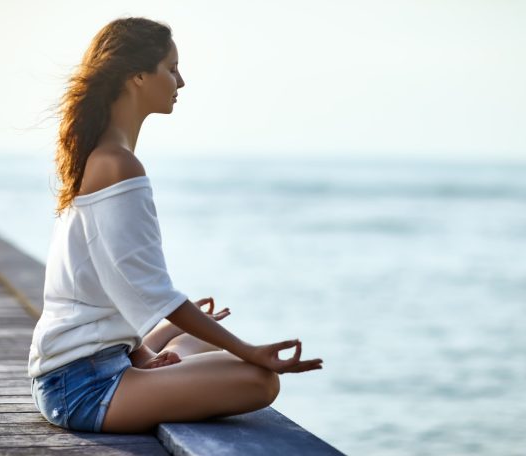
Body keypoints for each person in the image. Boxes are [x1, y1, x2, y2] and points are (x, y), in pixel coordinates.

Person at [27, 16, 323, 434]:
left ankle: (152, 361)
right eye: (171, 68)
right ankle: (158, 365)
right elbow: (151, 289)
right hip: (81, 386)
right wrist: (250, 351)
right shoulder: (116, 164)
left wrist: (145, 355)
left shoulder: (105, 157)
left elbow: (113, 282)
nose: (180, 82)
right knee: (259, 379)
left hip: (96, 363)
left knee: (202, 334)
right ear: (137, 76)